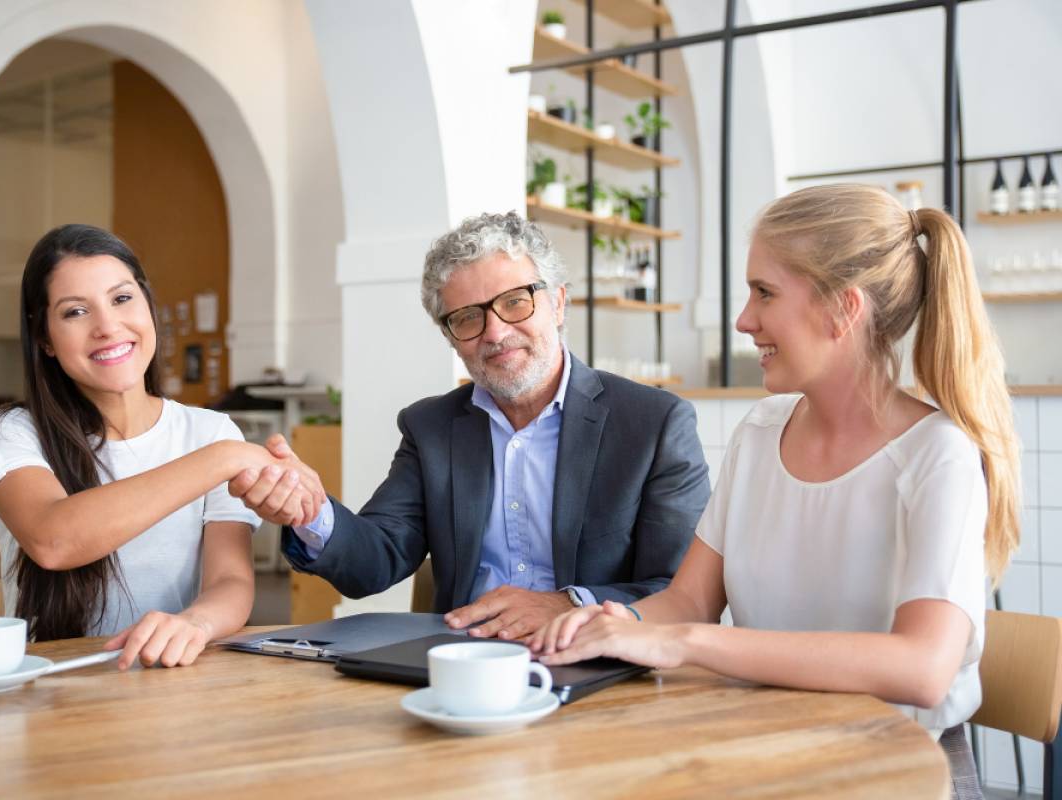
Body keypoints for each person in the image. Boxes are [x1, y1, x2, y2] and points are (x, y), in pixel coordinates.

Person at [529, 184, 1019, 798]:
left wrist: (685, 643)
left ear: (843, 309)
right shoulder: (760, 434)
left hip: (905, 765)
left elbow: (922, 668)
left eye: (764, 292)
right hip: (769, 741)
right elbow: (688, 604)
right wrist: (602, 622)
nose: (743, 319)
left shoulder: (937, 454)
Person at [232, 211, 710, 639]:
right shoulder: (431, 426)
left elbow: (679, 592)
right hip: (464, 662)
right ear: (451, 337)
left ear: (558, 304)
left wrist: (566, 604)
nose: (496, 333)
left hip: (599, 660)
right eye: (467, 318)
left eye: (516, 302)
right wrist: (310, 511)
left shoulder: (654, 424)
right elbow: (375, 561)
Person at [0, 224, 323, 669]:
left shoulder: (210, 431)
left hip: (170, 681)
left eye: (121, 299)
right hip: (50, 690)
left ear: (147, 306)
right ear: (45, 339)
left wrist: (195, 622)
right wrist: (226, 459)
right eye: (76, 312)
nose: (107, 326)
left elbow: (230, 580)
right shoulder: (10, 432)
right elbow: (53, 539)